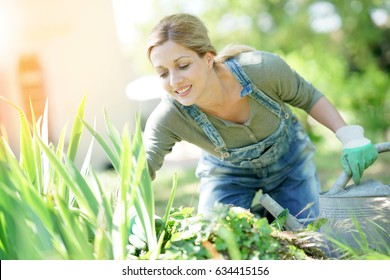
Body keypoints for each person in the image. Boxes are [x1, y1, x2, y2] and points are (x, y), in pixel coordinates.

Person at [142, 13, 378, 219]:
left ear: (208, 58)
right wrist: (129, 213)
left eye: (182, 65)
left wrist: (349, 137)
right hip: (227, 175)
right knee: (214, 238)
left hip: (290, 163)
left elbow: (309, 97)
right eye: (162, 73)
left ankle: (272, 218)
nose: (174, 81)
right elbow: (141, 168)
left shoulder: (261, 69)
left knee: (310, 235)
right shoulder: (170, 115)